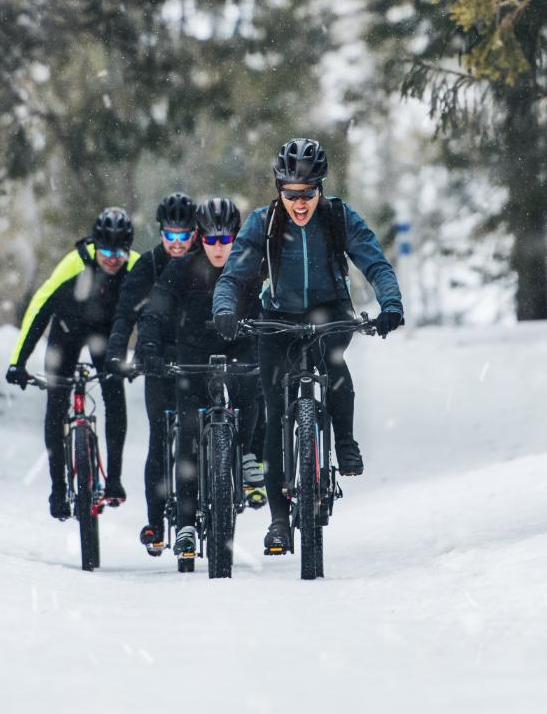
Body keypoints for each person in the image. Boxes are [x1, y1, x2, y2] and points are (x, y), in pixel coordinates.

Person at [212, 137, 403, 555]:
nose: (300, 204)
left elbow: (374, 261)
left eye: (309, 193)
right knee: (273, 404)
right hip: (278, 316)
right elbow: (233, 275)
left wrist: (391, 303)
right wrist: (225, 308)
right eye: (291, 195)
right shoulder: (263, 223)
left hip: (330, 310)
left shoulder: (338, 217)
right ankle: (279, 521)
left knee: (332, 361)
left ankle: (345, 440)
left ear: (321, 188)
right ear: (279, 190)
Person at [136, 196, 264, 564]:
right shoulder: (181, 268)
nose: (218, 248)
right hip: (191, 356)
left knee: (250, 391)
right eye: (210, 240)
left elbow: (270, 309)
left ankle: (245, 455)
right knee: (189, 430)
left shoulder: (250, 267)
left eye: (226, 240)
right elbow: (155, 311)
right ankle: (188, 524)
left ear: (237, 238)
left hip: (238, 349)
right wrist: (148, 347)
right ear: (199, 239)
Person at [5, 207, 137, 519]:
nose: (113, 258)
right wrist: (17, 362)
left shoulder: (136, 266)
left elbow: (157, 310)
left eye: (120, 251)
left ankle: (113, 481)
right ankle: (58, 488)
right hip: (67, 333)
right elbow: (40, 308)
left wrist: (148, 355)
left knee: (114, 393)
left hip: (107, 335)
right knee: (56, 402)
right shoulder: (74, 263)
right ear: (95, 245)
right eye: (106, 250)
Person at [103, 191, 199, 555]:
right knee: (159, 436)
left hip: (193, 357)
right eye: (170, 236)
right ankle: (156, 523)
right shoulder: (147, 266)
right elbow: (126, 313)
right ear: (160, 233)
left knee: (194, 435)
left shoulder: (202, 263)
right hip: (156, 356)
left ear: (194, 233)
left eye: (184, 235)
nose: (177, 243)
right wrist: (116, 350)